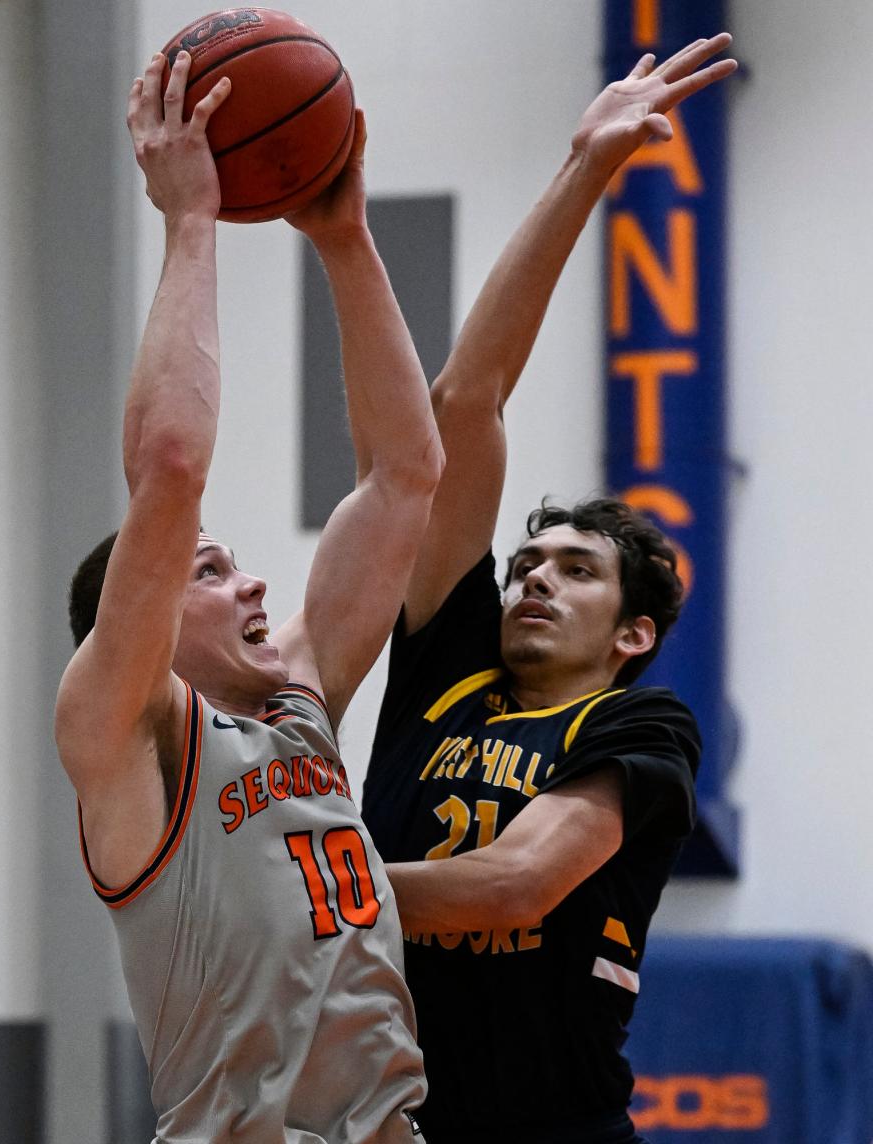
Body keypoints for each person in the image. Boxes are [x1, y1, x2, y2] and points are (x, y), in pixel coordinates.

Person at [55, 50, 445, 1144]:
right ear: (133, 628)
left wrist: (343, 237)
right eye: (211, 570)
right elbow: (172, 465)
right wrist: (191, 223)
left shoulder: (299, 704)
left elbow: (406, 476)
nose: (254, 577)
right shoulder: (126, 736)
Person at [361, 35, 738, 1144]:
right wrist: (583, 171)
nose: (532, 580)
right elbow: (465, 401)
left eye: (576, 571)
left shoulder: (641, 724)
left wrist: (299, 885)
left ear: (632, 631)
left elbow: (515, 885)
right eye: (528, 563)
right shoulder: (448, 662)